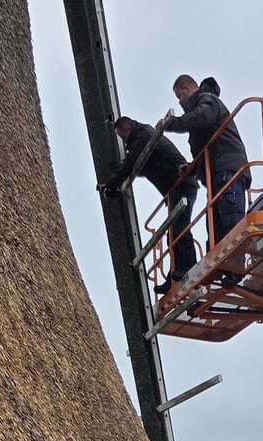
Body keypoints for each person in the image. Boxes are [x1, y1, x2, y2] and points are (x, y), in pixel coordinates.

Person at [99, 115, 198, 284]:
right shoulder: (143, 141)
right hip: (175, 188)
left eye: (122, 135)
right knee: (174, 231)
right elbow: (140, 168)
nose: (123, 140)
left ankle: (188, 267)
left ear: (127, 128)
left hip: (183, 182)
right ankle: (174, 276)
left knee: (179, 227)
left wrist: (112, 183)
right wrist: (118, 172)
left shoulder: (145, 134)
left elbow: (132, 165)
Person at [169, 75, 250, 247]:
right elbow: (204, 147)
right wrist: (192, 168)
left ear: (187, 89)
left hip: (227, 169)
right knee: (215, 232)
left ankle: (235, 269)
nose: (180, 101)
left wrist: (173, 123)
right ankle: (225, 271)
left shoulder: (207, 100)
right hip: (217, 173)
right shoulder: (202, 109)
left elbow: (201, 118)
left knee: (231, 223)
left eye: (179, 96)